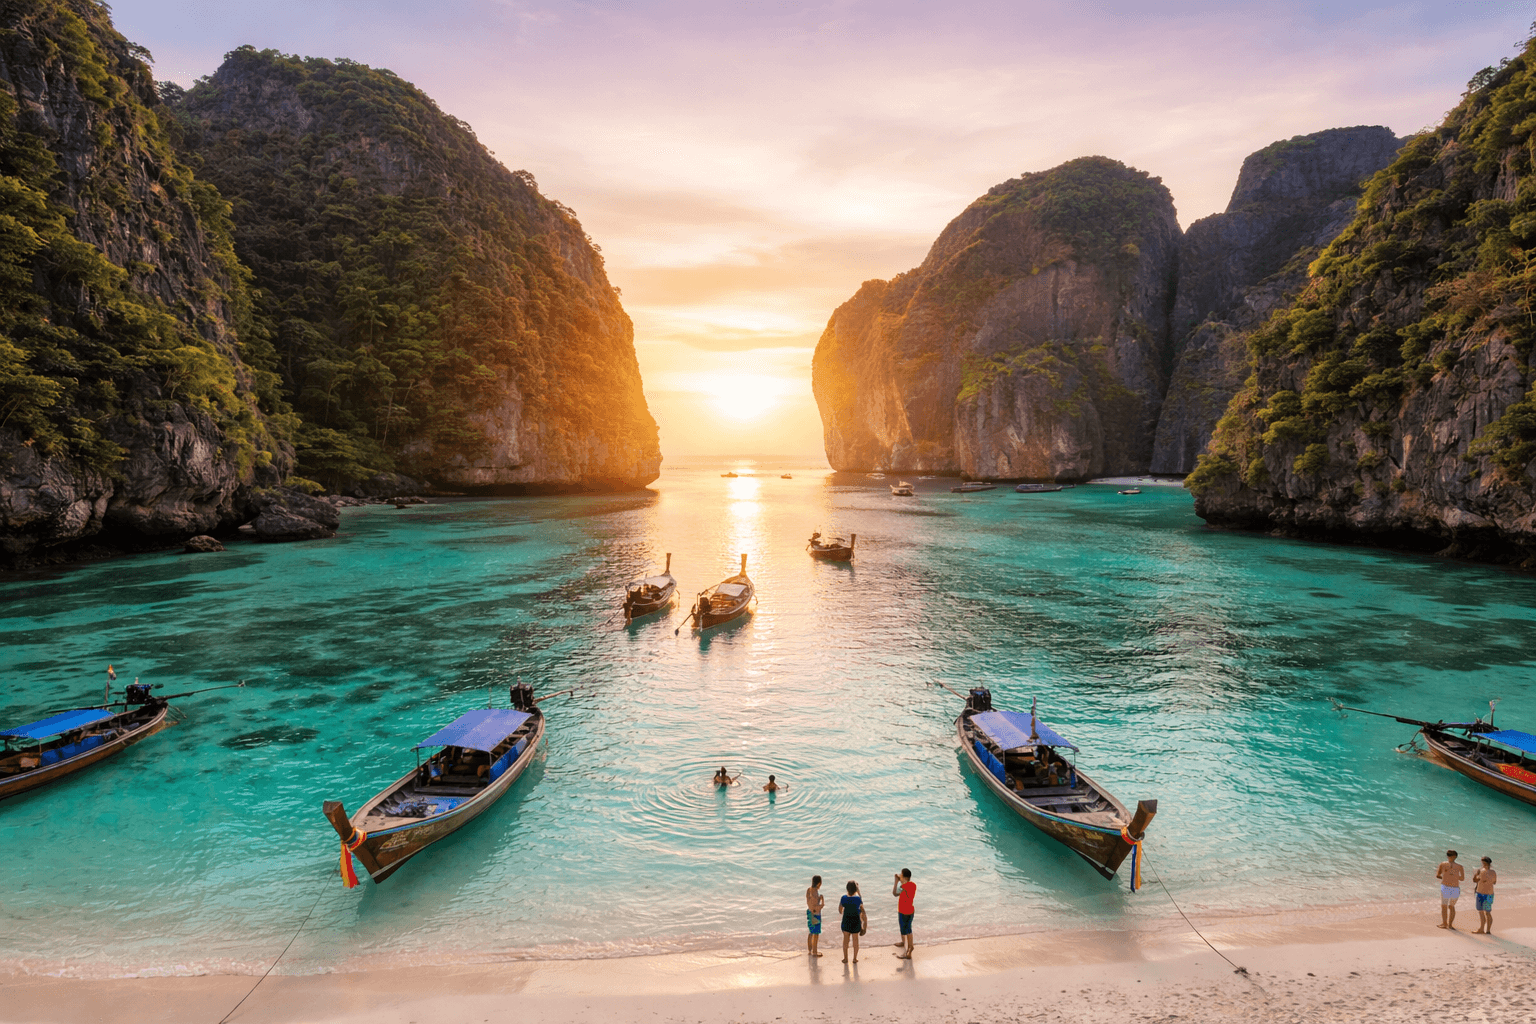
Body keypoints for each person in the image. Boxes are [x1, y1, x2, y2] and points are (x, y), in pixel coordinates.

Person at [1436, 849, 1465, 930]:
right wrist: (1452, 876)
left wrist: (1447, 876)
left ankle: (1447, 924)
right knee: (1449, 906)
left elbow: (1438, 875)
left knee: (1447, 906)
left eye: (1449, 855)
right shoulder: (1459, 866)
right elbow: (1462, 878)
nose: (1448, 856)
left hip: (1448, 887)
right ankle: (1448, 924)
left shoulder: (1443, 864)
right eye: (1448, 855)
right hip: (1452, 887)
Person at [891, 868, 916, 959]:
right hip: (910, 911)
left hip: (904, 911)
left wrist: (896, 881)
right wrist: (900, 880)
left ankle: (910, 948)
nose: (899, 876)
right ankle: (904, 942)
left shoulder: (903, 887)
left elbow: (894, 893)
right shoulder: (913, 885)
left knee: (907, 930)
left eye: (901, 875)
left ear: (905, 877)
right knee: (905, 928)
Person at [839, 881, 866, 963]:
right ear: (856, 890)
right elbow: (862, 908)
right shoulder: (858, 899)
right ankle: (854, 958)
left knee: (845, 941)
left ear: (847, 889)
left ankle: (845, 958)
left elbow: (840, 910)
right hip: (856, 922)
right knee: (855, 941)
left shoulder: (843, 898)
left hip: (846, 921)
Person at [1472, 856, 1497, 934]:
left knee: (1483, 912)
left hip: (1482, 893)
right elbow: (1494, 882)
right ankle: (1486, 930)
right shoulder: (1492, 872)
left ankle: (1483, 929)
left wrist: (1476, 875)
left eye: (1483, 863)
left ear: (1484, 863)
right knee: (1486, 912)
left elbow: (1475, 880)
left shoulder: (1481, 871)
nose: (1482, 864)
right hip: (1488, 893)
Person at [806, 875, 824, 956]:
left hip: (809, 912)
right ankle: (815, 952)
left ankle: (810, 950)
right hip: (815, 914)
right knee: (816, 934)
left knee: (811, 932)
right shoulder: (815, 892)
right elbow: (815, 907)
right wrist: (822, 902)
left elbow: (810, 903)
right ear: (819, 883)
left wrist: (819, 898)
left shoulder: (809, 890)